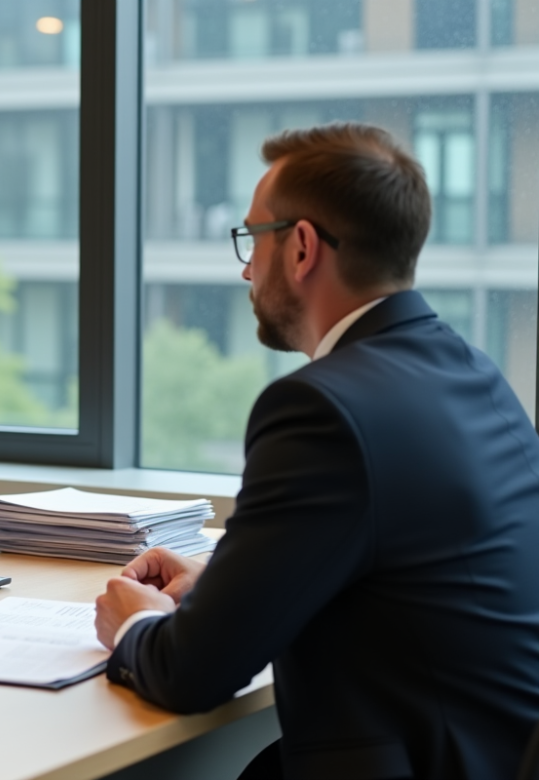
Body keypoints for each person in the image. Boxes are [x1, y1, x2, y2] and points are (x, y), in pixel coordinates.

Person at [94, 123, 539, 779]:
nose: (246, 269)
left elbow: (191, 675)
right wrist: (226, 581)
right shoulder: (471, 371)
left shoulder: (320, 409)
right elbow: (404, 560)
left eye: (253, 238)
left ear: (301, 247)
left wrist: (135, 626)